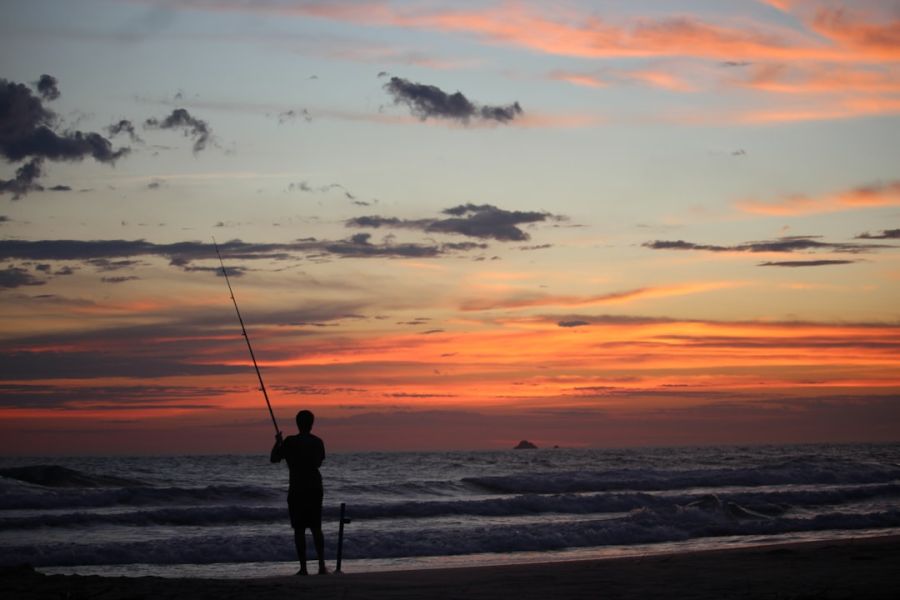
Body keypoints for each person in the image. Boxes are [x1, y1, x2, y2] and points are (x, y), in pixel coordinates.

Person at [270, 409, 328, 575]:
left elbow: (274, 458)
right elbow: (318, 463)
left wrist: (278, 443)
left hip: (297, 489)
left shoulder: (289, 442)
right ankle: (321, 566)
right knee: (316, 527)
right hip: (315, 488)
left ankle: (303, 568)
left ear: (297, 423)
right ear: (312, 424)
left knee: (299, 529)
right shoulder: (318, 442)